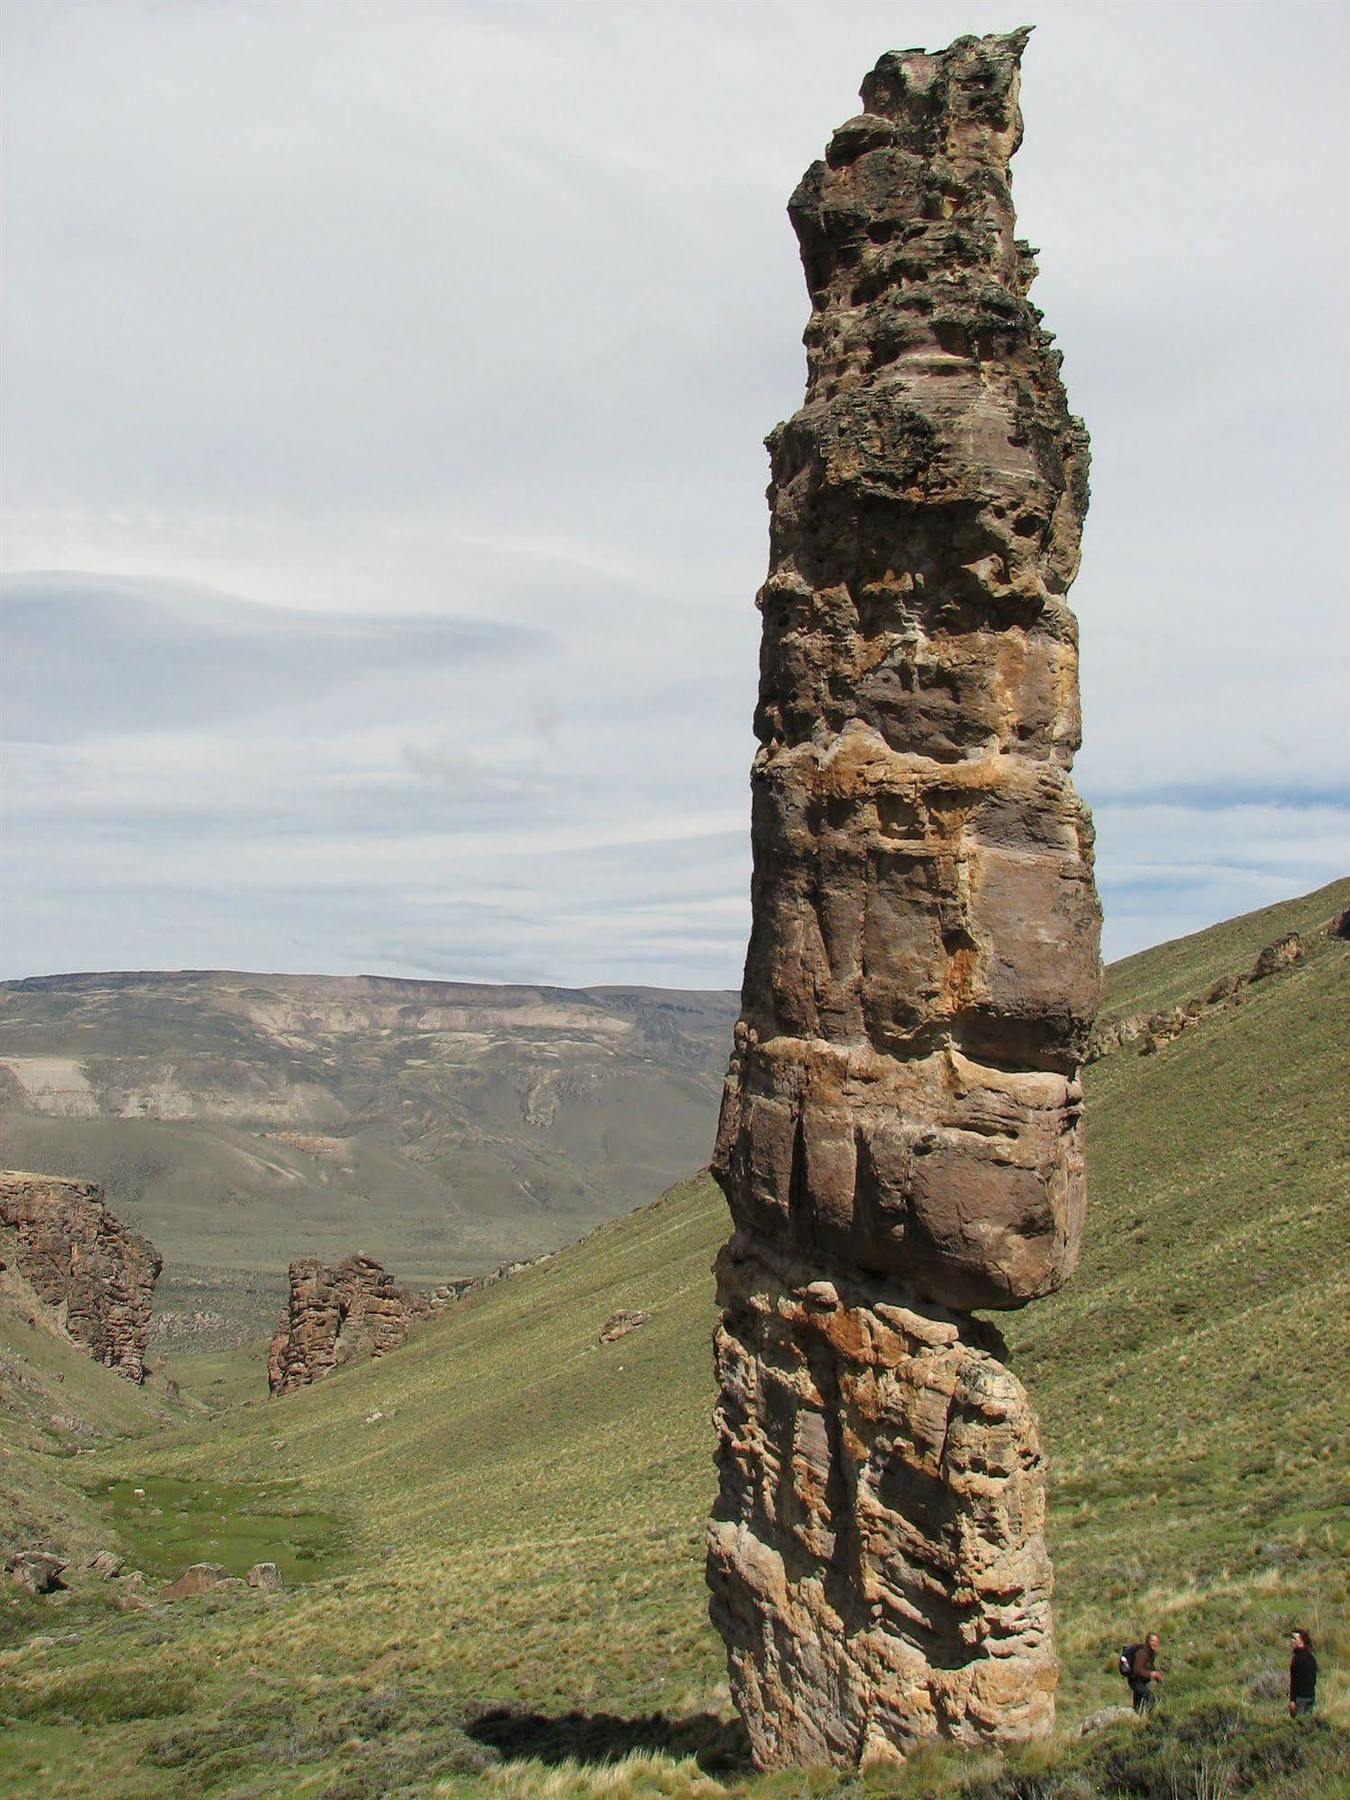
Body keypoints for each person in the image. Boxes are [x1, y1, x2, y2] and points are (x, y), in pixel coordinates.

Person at [1129, 1633, 1164, 1713]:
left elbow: (1149, 1666)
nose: (1154, 1643)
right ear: (1147, 1642)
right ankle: (1146, 1717)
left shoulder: (1151, 1653)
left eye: (1156, 1641)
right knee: (1150, 1697)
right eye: (1152, 1641)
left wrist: (1157, 1676)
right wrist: (1151, 1674)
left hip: (1141, 1681)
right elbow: (1137, 1670)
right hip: (1135, 1681)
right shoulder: (1142, 1653)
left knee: (1139, 1703)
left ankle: (1138, 1718)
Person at [1289, 1629, 1317, 1716]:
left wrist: (1292, 1700)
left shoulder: (1297, 1659)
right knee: (1307, 1723)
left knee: (1298, 1724)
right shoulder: (1311, 1658)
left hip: (1299, 1699)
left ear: (1301, 1642)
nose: (1292, 1641)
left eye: (1294, 1639)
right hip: (1310, 1696)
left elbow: (1295, 1680)